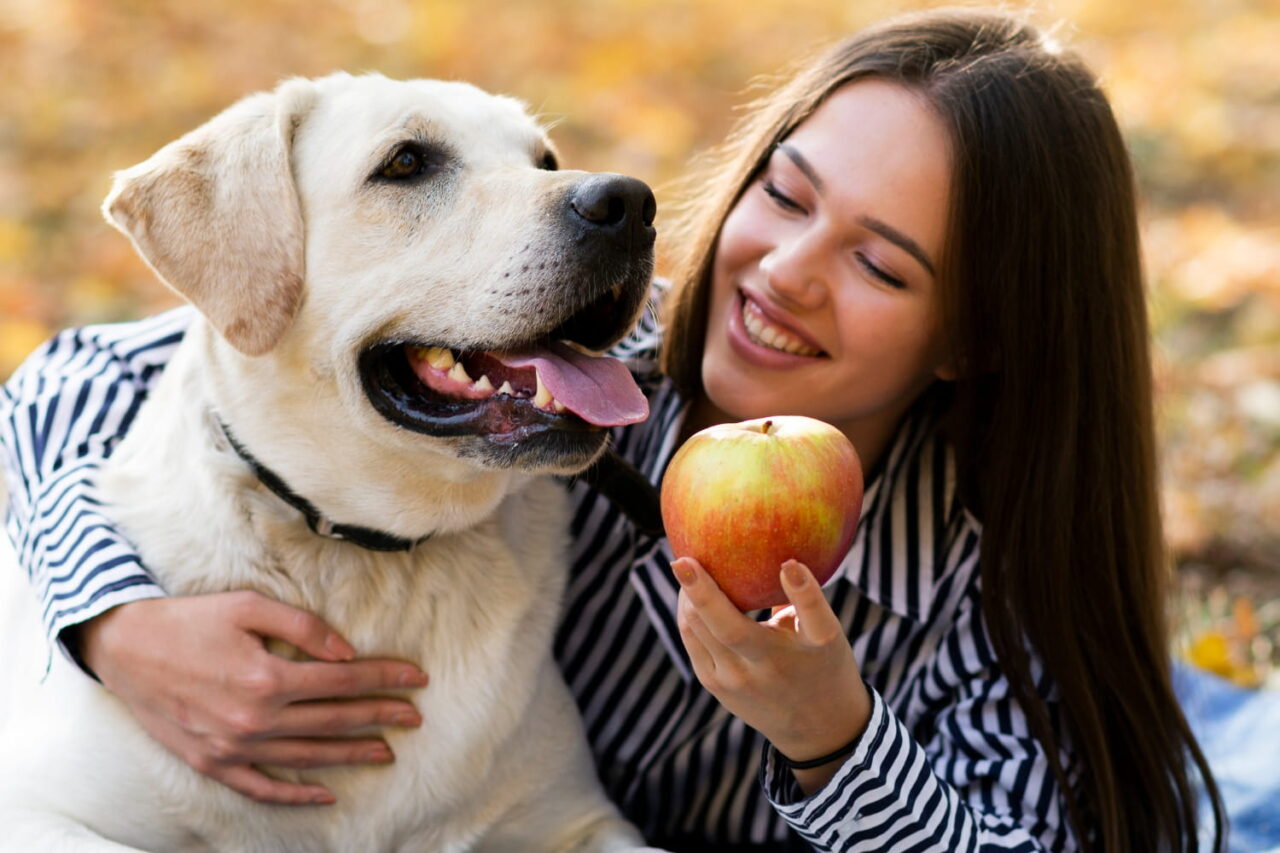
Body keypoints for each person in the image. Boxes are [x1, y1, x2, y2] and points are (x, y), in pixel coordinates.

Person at [0, 8, 1226, 852]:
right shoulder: (602, 381)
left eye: (880, 265)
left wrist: (834, 738)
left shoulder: (983, 590)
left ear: (974, 338)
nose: (784, 273)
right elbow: (75, 380)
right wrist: (112, 616)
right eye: (783, 195)